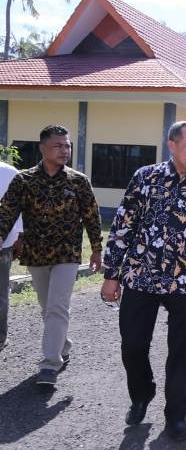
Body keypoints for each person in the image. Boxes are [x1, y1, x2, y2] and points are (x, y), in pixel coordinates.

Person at [101, 121, 186, 441]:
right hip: (141, 276)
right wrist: (112, 275)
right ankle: (142, 393)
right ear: (172, 145)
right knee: (133, 343)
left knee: (180, 352)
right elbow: (123, 225)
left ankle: (175, 416)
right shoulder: (146, 177)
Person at [0, 125, 102, 385]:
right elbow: (7, 213)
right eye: (58, 145)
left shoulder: (78, 181)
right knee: (48, 308)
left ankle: (49, 364)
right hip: (36, 254)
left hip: (67, 254)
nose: (65, 150)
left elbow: (91, 216)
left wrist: (97, 249)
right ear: (42, 148)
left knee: (58, 306)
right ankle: (63, 345)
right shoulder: (23, 180)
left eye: (67, 145)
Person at [0, 160, 22, 353]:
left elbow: (21, 208)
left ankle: (0, 336)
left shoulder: (9, 172)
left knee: (0, 292)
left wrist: (19, 238)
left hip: (3, 244)